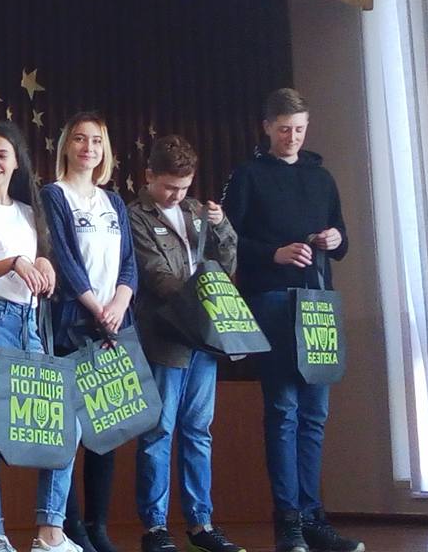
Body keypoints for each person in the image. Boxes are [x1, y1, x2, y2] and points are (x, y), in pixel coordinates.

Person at [222, 89, 363, 552]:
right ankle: (288, 521)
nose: (292, 137)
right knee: (283, 411)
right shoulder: (248, 175)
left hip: (318, 303)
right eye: (284, 129)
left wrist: (336, 238)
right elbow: (226, 241)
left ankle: (312, 516)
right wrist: (274, 253)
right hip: (273, 300)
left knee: (315, 414)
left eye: (300, 129)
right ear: (267, 127)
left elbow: (342, 240)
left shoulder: (321, 177)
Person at [0, 121, 79, 552]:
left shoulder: (28, 211)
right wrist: (12, 262)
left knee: (63, 423)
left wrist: (45, 267)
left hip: (30, 322)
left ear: (16, 161)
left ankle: (49, 531)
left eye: (1, 155)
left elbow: (38, 265)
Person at [127, 135, 244, 552]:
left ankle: (200, 523)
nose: (177, 195)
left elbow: (226, 266)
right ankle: (155, 527)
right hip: (166, 336)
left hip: (204, 340)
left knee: (198, 430)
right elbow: (156, 276)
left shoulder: (196, 212)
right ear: (149, 176)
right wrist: (200, 298)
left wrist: (222, 227)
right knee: (159, 430)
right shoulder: (136, 216)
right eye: (169, 187)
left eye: (184, 187)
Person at [39, 112, 137, 552]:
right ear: (66, 145)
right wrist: (97, 308)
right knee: (71, 431)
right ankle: (72, 527)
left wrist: (119, 304)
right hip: (73, 324)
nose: (88, 148)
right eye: (80, 139)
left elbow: (129, 262)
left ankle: (98, 527)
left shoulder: (113, 202)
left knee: (105, 431)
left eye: (96, 141)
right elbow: (64, 259)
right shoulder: (54, 195)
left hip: (114, 326)